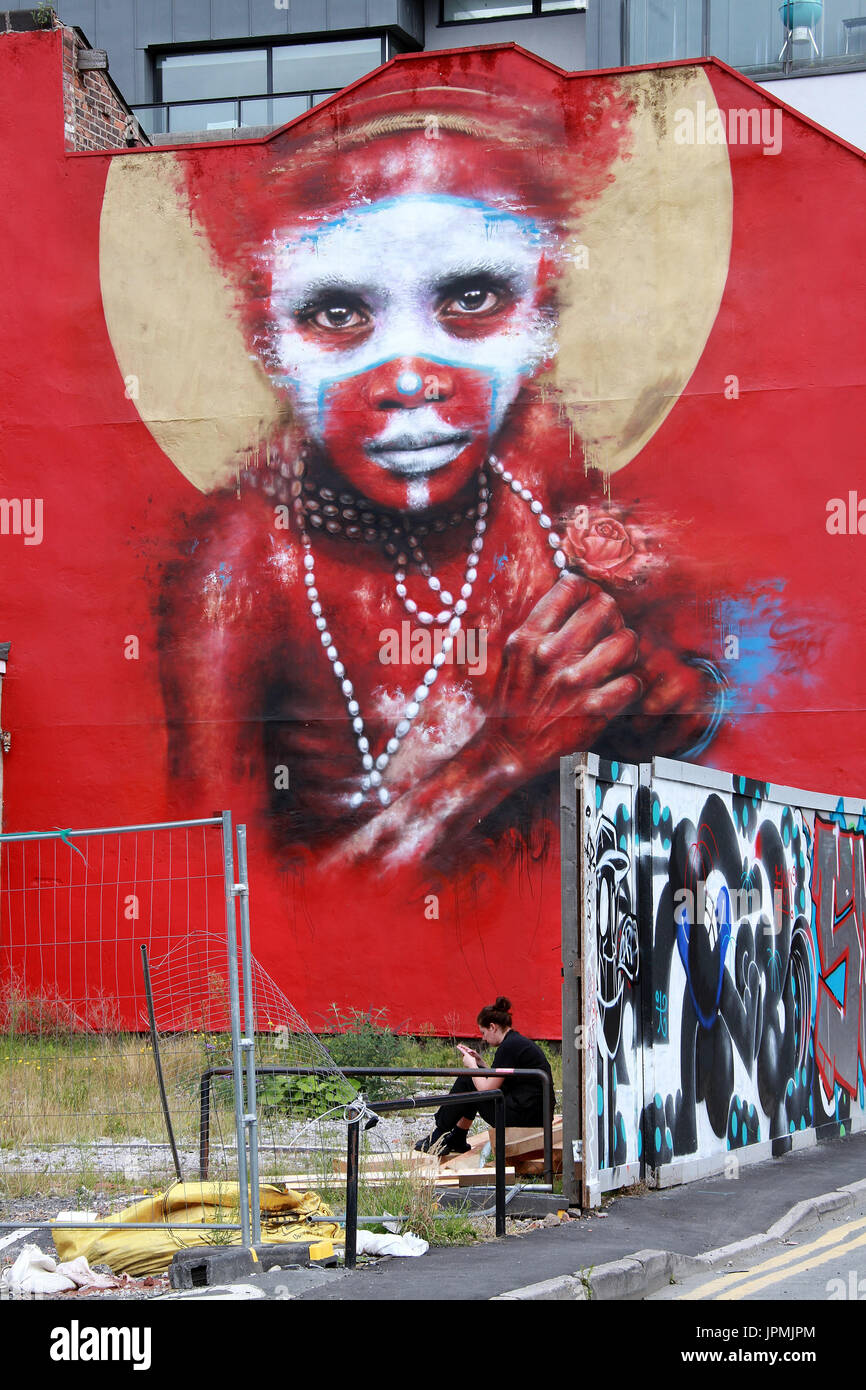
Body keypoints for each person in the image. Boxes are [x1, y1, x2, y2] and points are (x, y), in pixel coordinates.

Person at [160, 65, 720, 879]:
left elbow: (672, 688)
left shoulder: (543, 468)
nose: (411, 379)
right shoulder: (241, 572)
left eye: (472, 298)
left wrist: (649, 700)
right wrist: (502, 756)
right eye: (337, 314)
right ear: (266, 345)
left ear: (545, 319)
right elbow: (209, 899)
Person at [414, 997, 554, 1158]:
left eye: (484, 1032)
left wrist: (472, 1066)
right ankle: (457, 1137)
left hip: (524, 1118)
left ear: (493, 1027)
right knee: (474, 1077)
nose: (483, 1038)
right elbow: (501, 1078)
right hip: (532, 1114)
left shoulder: (509, 1046)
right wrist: (480, 1063)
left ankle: (438, 1136)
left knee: (468, 1079)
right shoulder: (514, 1042)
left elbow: (487, 1088)